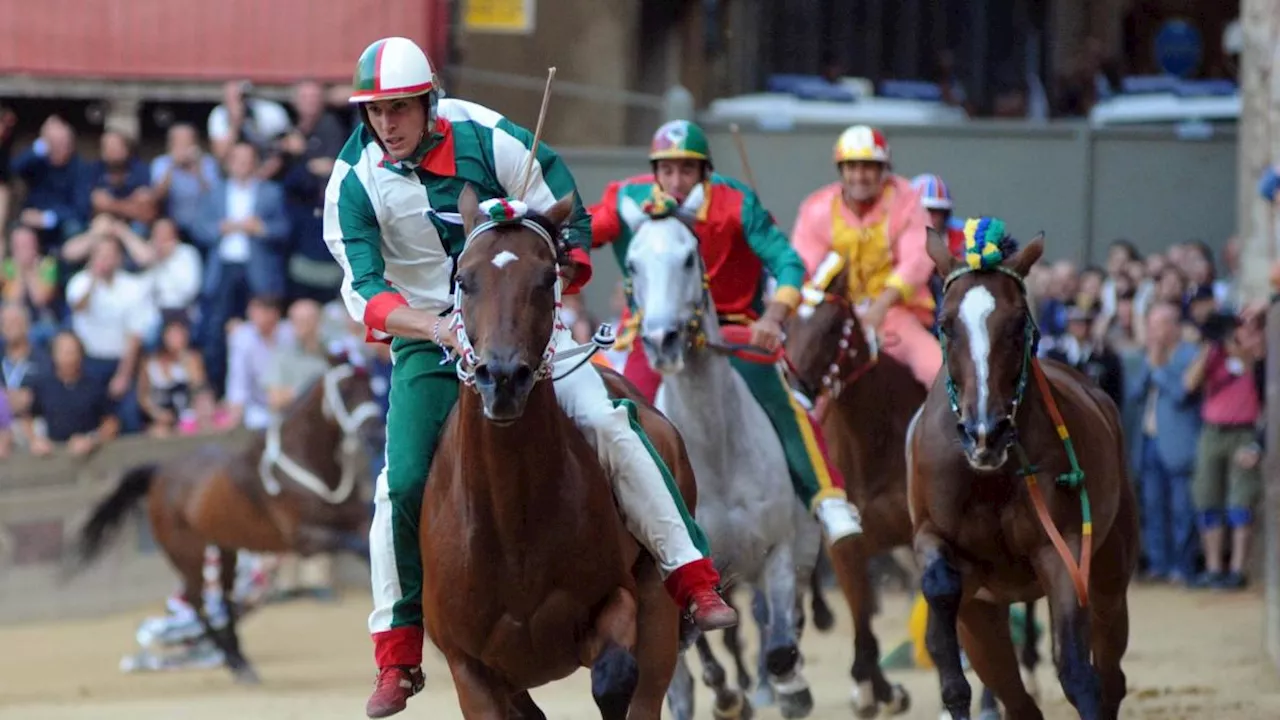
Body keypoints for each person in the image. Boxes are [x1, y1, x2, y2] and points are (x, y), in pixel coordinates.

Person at [322, 37, 736, 719]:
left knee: (609, 421)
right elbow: (364, 292)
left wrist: (558, 267)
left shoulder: (489, 136)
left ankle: (691, 576)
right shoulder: (353, 183)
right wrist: (441, 329)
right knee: (398, 485)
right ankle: (397, 654)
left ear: (429, 103)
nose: (387, 124)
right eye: (375, 112)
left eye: (399, 108)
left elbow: (558, 196)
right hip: (431, 341)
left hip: (523, 322)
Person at [590, 119, 863, 549]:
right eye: (667, 170)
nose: (676, 181)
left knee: (782, 399)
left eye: (686, 170)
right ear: (655, 172)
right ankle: (604, 516)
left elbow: (787, 261)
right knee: (619, 411)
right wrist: (555, 244)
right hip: (654, 329)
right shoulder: (628, 198)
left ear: (704, 172)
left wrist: (773, 317)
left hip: (731, 330)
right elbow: (588, 229)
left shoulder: (737, 202)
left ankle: (827, 499)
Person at [791, 125, 942, 389]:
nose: (860, 176)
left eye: (869, 167)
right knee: (795, 376)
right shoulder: (818, 207)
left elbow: (917, 260)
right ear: (841, 171)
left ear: (883, 170)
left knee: (937, 370)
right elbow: (804, 266)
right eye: (852, 167)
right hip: (832, 322)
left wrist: (879, 308)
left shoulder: (906, 199)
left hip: (895, 316)